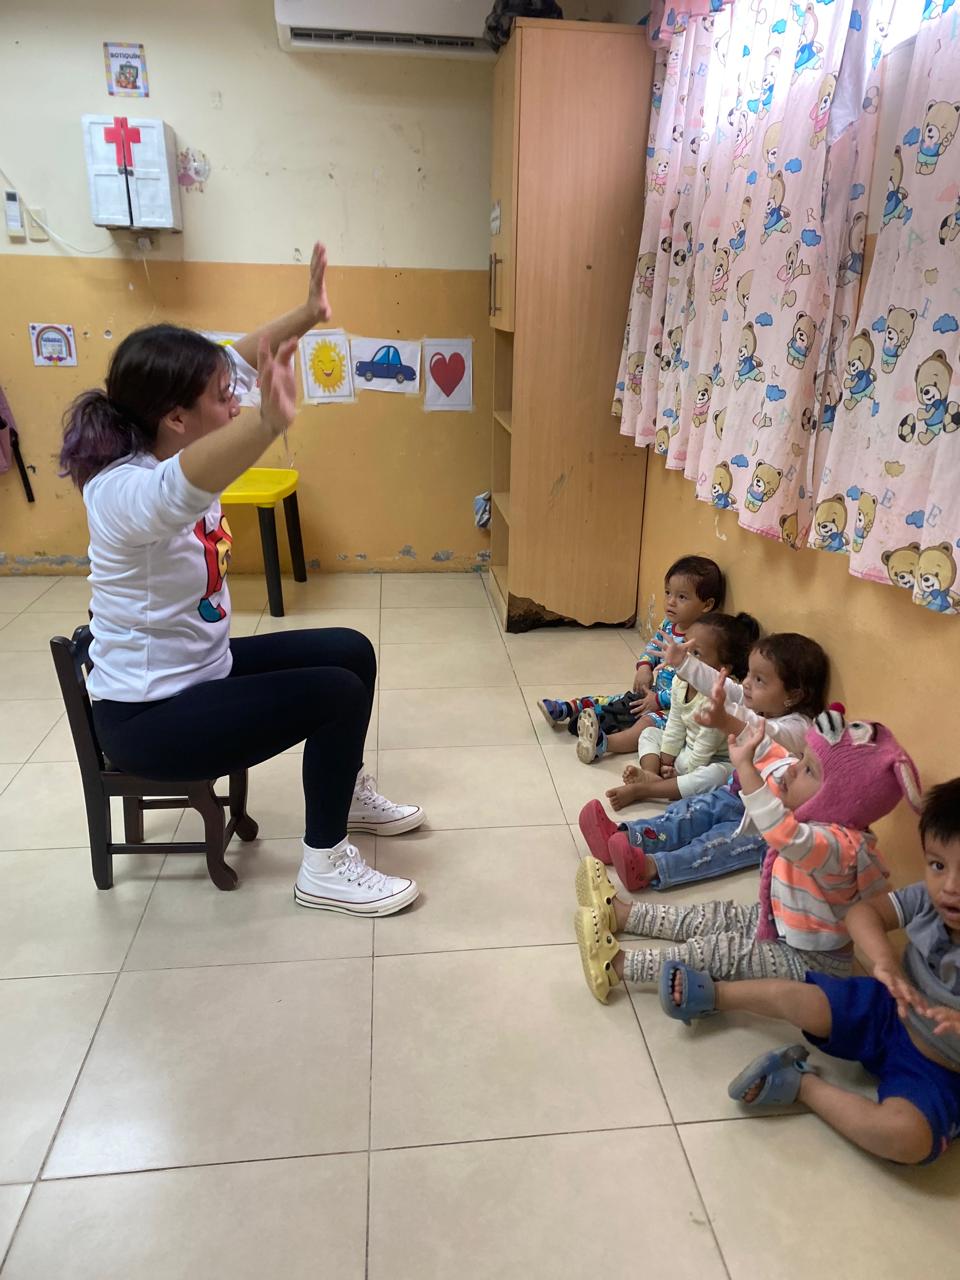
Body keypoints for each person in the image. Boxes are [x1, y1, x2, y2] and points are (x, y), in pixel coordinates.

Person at [59, 242, 423, 917]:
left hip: (202, 670)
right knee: (336, 694)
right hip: (151, 717)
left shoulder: (177, 433)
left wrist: (308, 313)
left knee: (352, 650)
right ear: (175, 417)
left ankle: (341, 790)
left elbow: (242, 357)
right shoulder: (121, 490)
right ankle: (324, 867)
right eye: (224, 398)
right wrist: (263, 423)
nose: (235, 400)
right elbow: (175, 492)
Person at [661, 778, 960, 1166]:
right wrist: (884, 959)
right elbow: (863, 913)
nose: (950, 887)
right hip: (888, 1010)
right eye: (938, 865)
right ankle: (714, 994)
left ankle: (800, 1085)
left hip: (941, 1071)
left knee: (906, 1138)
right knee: (797, 994)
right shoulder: (926, 900)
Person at [574, 708, 921, 1003]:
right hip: (780, 919)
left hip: (811, 961)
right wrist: (727, 722)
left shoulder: (837, 844)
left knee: (717, 952)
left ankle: (618, 967)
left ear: (839, 799)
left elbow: (779, 831)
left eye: (809, 770)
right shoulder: (820, 817)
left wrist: (746, 769)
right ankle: (625, 915)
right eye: (802, 759)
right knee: (712, 917)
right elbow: (771, 752)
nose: (793, 769)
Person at [578, 630, 828, 890]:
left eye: (759, 680)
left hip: (767, 821)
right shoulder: (758, 701)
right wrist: (684, 663)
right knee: (685, 815)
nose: (746, 684)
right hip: (735, 791)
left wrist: (726, 719)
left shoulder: (800, 728)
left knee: (714, 846)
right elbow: (723, 686)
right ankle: (624, 836)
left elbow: (763, 733)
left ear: (793, 695)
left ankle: (650, 868)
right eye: (749, 674)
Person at [537, 555, 724, 764]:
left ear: (707, 604)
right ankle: (568, 708)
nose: (671, 601)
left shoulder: (700, 644)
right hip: (652, 694)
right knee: (617, 700)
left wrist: (658, 700)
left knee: (646, 724)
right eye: (668, 593)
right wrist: (644, 667)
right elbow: (653, 647)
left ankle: (603, 743)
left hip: (675, 710)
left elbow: (691, 687)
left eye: (682, 597)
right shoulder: (669, 625)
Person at [604, 610, 758, 809]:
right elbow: (675, 722)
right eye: (683, 645)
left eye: (696, 653)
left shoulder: (717, 698)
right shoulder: (679, 682)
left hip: (712, 758)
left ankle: (647, 789)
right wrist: (666, 758)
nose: (683, 656)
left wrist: (681, 772)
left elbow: (705, 748)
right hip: (687, 747)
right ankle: (650, 774)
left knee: (714, 775)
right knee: (649, 733)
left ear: (722, 670)